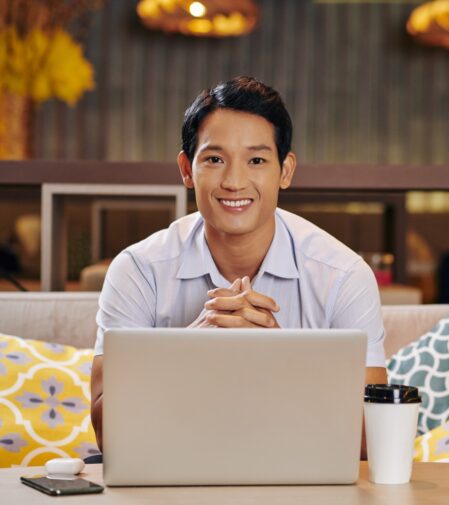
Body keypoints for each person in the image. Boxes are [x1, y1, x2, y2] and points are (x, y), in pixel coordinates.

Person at [90, 76, 387, 458]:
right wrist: (186, 352)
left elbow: (371, 443)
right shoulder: (138, 270)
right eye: (214, 159)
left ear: (286, 170)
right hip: (169, 476)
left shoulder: (343, 276)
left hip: (295, 481)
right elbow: (106, 435)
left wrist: (279, 359)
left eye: (257, 160)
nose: (234, 181)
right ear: (186, 168)